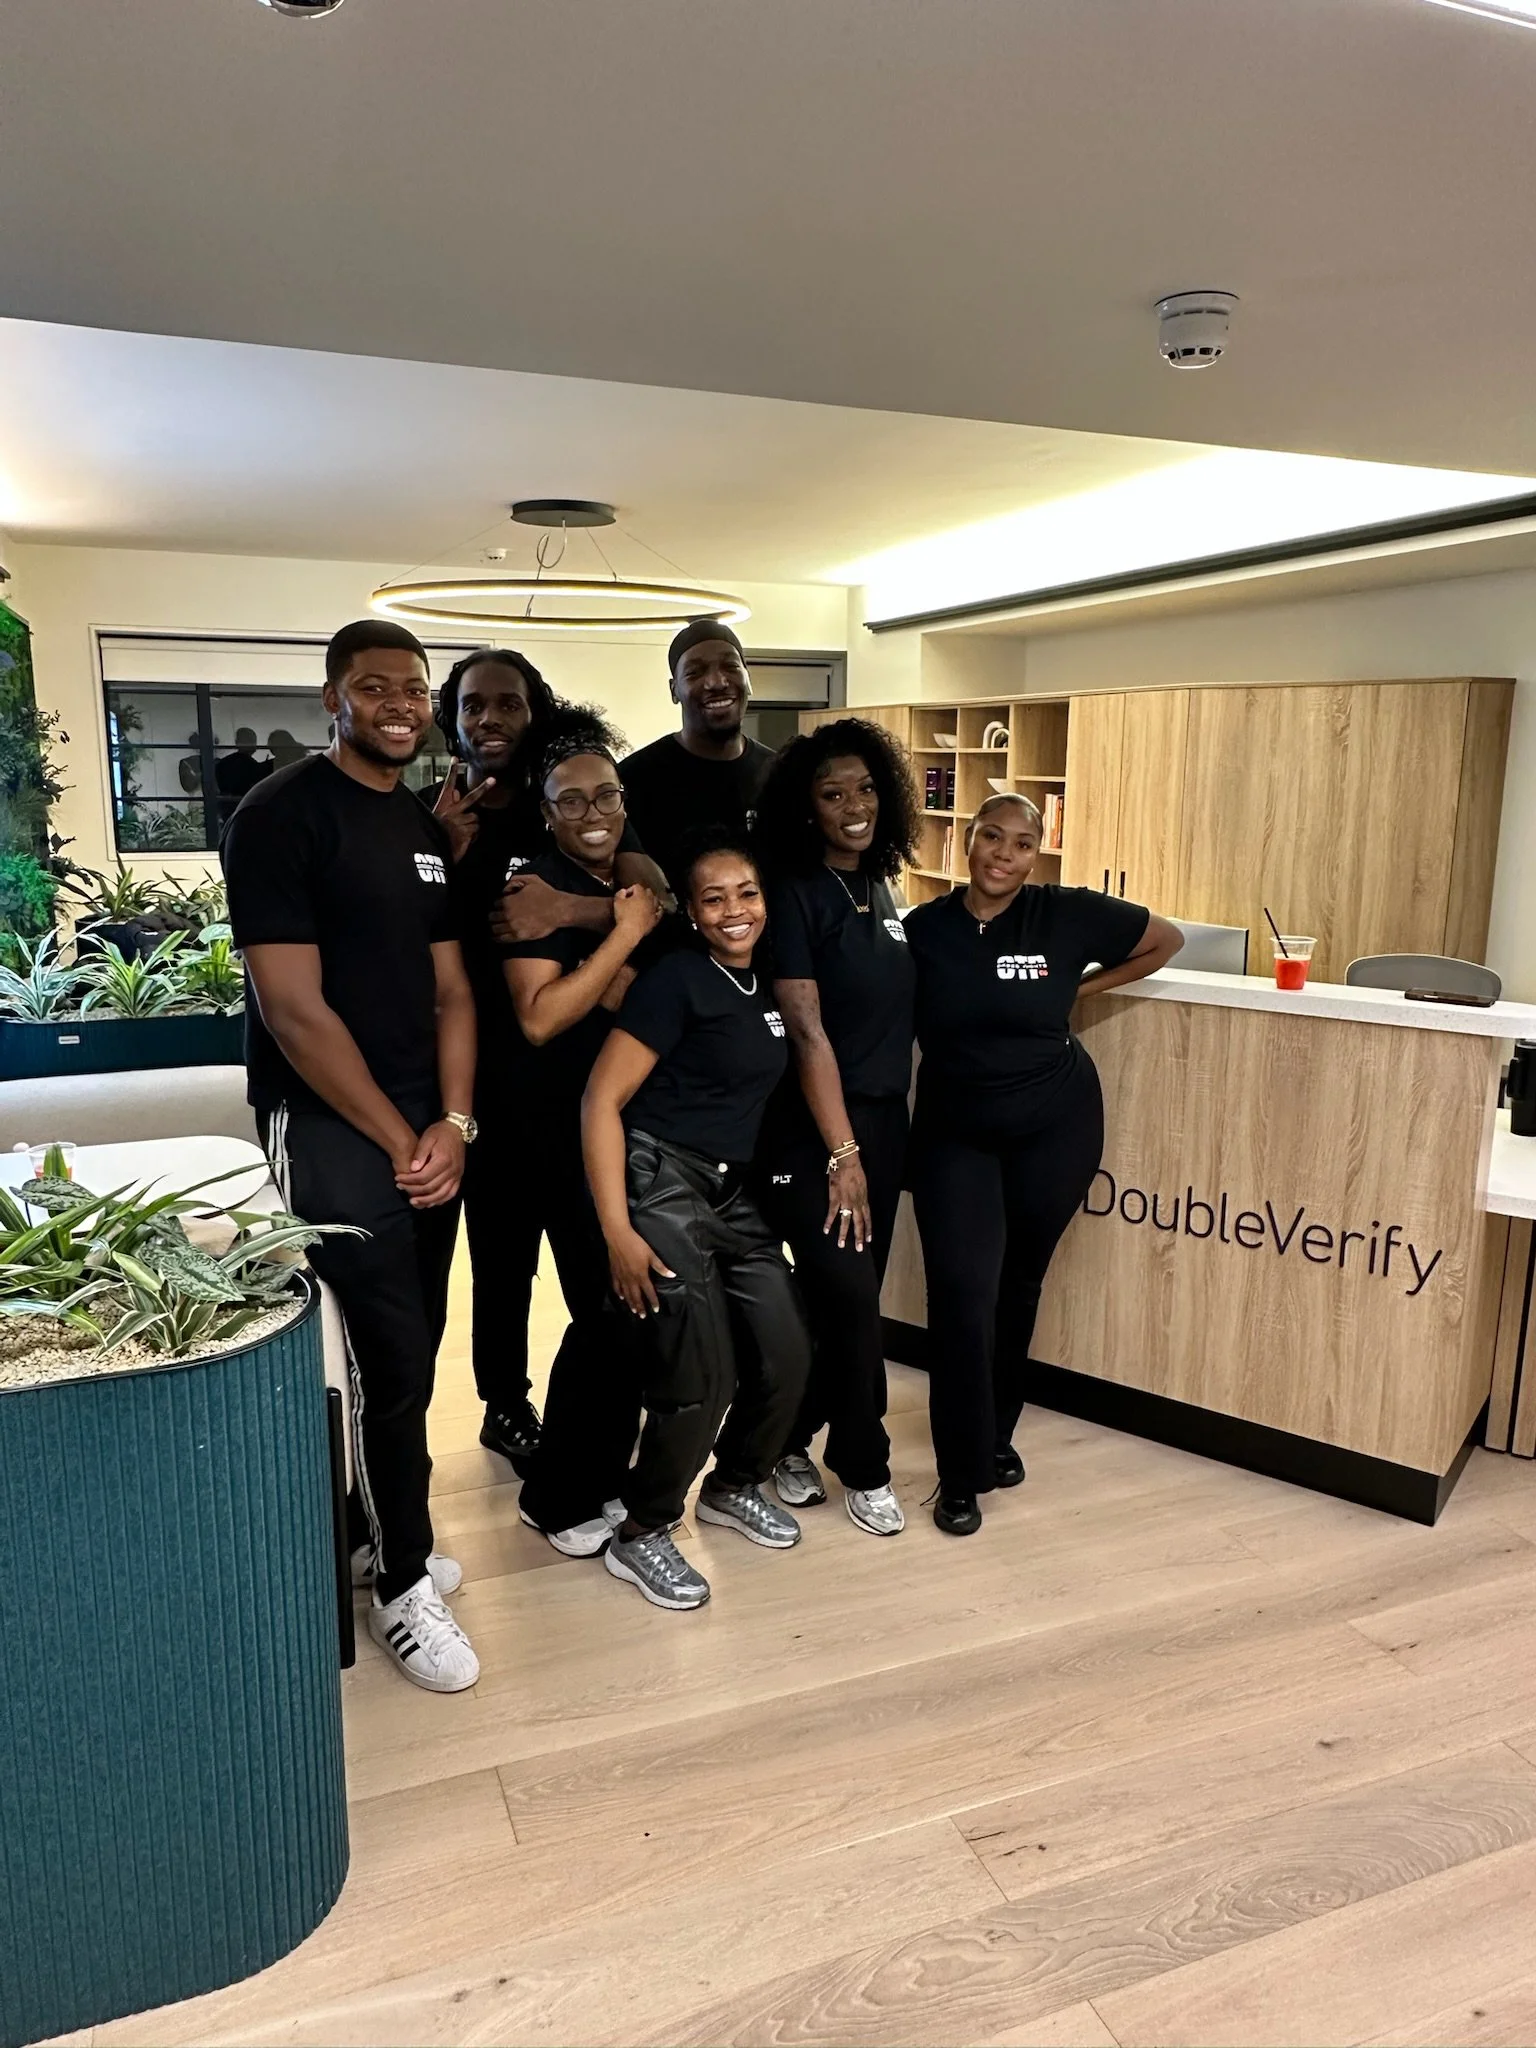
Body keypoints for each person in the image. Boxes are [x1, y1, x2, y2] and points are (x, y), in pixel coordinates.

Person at [222, 619, 481, 1693]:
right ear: (334, 696)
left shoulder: (422, 824)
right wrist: (397, 1135)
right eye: (375, 685)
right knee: (386, 1352)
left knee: (414, 1347)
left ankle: (379, 1533)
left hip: (428, 1124)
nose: (400, 702)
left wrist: (455, 1125)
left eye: (415, 688)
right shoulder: (280, 814)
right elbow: (290, 1008)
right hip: (331, 1123)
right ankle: (403, 1584)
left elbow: (455, 989)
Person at [904, 792, 1184, 1536]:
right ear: (969, 841)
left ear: (1037, 853)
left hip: (1055, 1125)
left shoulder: (1065, 913)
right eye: (991, 836)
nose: (1004, 853)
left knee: (1019, 1283)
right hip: (955, 1134)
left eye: (1022, 843)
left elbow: (1167, 940)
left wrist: (1078, 991)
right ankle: (958, 1474)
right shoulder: (923, 929)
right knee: (963, 1294)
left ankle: (996, 1437)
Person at [426, 649, 667, 1475]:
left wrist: (572, 908)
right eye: (473, 706)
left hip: (580, 1075)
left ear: (537, 712)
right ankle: (504, 1404)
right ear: (451, 717)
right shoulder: (440, 810)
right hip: (486, 1068)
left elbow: (652, 899)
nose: (490, 719)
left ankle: (596, 1404)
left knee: (590, 1252)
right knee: (500, 1260)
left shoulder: (572, 795)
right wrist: (443, 846)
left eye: (510, 704)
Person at [581, 830, 812, 1610]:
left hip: (730, 1195)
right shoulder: (677, 980)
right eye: (714, 898)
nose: (734, 910)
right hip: (661, 1183)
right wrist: (618, 1230)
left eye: (745, 893)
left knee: (787, 1348)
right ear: (694, 913)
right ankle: (642, 1531)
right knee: (699, 1377)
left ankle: (734, 1484)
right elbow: (600, 1102)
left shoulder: (764, 983)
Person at [752, 718, 920, 1538]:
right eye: (831, 793)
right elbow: (807, 1030)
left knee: (842, 1303)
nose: (853, 806)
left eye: (864, 789)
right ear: (805, 807)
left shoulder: (881, 890)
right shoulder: (795, 889)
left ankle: (780, 1444)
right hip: (815, 1135)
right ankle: (866, 1460)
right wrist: (841, 1152)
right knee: (853, 1302)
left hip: (884, 1127)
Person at [497, 730, 663, 1554]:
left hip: (623, 1127)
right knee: (608, 1311)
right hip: (552, 1130)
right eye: (571, 800)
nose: (591, 813)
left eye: (604, 797)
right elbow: (539, 1017)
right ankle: (556, 1496)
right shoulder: (533, 887)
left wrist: (614, 963)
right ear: (547, 813)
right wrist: (621, 946)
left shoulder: (630, 879)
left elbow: (629, 993)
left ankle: (597, 1474)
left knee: (625, 1311)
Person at [616, 621, 774, 891]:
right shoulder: (634, 780)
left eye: (730, 666)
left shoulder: (779, 773)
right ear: (674, 690)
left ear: (748, 678)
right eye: (695, 672)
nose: (717, 682)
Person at [215, 726, 270, 823]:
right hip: (243, 808)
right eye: (253, 741)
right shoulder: (250, 764)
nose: (255, 745)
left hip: (226, 809)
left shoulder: (224, 763)